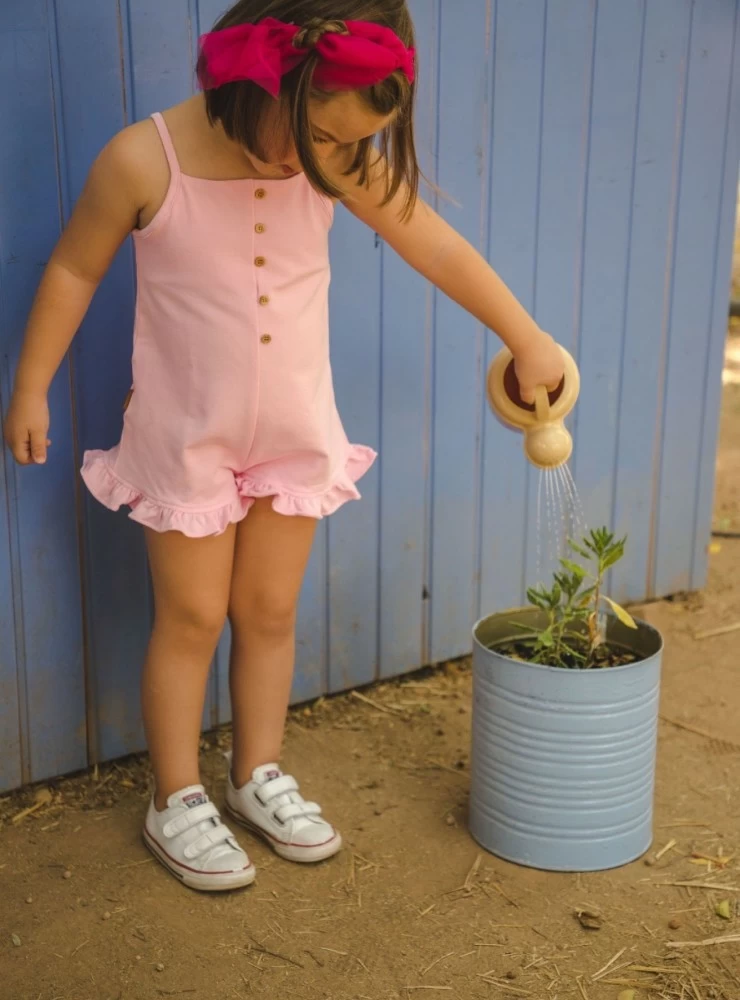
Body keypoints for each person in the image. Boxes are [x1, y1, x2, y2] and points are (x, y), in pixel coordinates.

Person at [4, 0, 564, 892]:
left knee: (267, 613)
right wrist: (31, 383)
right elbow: (75, 267)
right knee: (191, 618)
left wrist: (526, 336)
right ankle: (176, 795)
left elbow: (439, 247)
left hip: (296, 432)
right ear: (256, 79)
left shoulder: (337, 159)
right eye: (318, 136)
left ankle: (257, 772)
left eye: (350, 144)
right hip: (187, 437)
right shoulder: (144, 157)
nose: (327, 159)